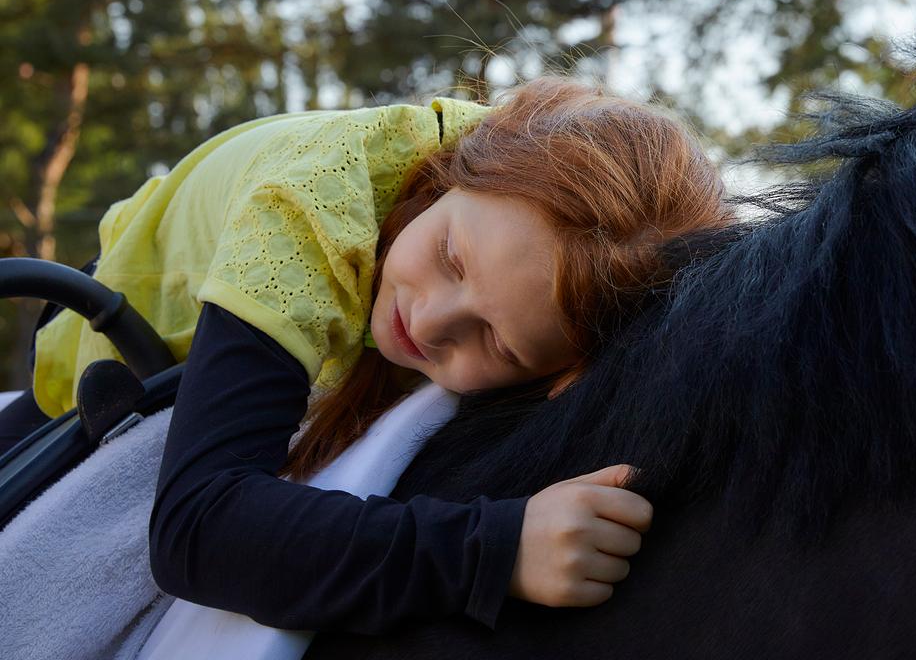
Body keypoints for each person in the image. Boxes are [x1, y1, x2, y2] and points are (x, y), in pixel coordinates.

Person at [2, 76, 734, 633]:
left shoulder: (511, 240)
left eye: (497, 341)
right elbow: (199, 532)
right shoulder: (309, 210)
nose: (432, 321)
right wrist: (491, 549)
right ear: (461, 170)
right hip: (103, 349)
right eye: (450, 258)